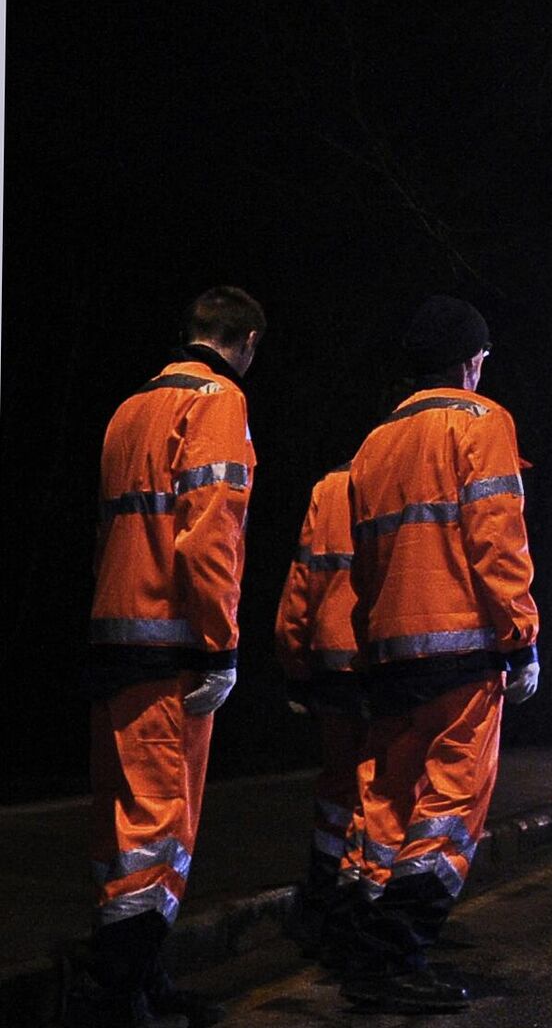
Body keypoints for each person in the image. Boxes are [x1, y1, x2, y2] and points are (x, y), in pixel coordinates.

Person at [335, 295, 540, 1014]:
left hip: (390, 654)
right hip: (462, 652)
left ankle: (363, 945)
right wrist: (521, 637)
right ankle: (399, 951)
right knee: (451, 804)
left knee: (387, 800)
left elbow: (360, 561)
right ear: (471, 360)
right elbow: (497, 543)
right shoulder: (482, 424)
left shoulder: (375, 441)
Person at [82, 286, 262, 1028]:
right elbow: (209, 532)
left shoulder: (129, 409)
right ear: (246, 341)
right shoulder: (217, 402)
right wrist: (220, 646)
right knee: (160, 831)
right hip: (172, 650)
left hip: (115, 640)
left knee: (122, 829)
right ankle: (121, 1001)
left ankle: (139, 983)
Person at [273, 462, 366, 953]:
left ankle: (320, 897)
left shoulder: (328, 489)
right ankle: (355, 909)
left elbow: (302, 580)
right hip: (386, 664)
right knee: (378, 793)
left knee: (336, 786)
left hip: (331, 665)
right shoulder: (409, 475)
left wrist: (294, 662)